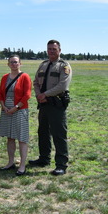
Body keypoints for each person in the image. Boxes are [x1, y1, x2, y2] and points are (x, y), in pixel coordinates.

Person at [29, 40, 72, 176]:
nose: (51, 51)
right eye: (49, 49)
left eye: (54, 49)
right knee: (43, 132)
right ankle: (44, 159)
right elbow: (35, 82)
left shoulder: (64, 66)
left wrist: (45, 94)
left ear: (59, 50)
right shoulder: (43, 65)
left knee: (59, 135)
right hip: (43, 104)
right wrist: (38, 95)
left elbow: (62, 86)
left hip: (56, 104)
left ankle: (61, 165)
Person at [0, 55, 31, 176]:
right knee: (10, 137)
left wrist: (16, 107)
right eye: (11, 62)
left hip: (20, 110)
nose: (14, 64)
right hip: (6, 110)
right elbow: (0, 93)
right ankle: (11, 162)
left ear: (20, 64)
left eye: (16, 62)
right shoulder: (4, 77)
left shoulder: (25, 76)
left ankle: (22, 165)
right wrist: (4, 106)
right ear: (8, 64)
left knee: (22, 138)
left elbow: (27, 95)